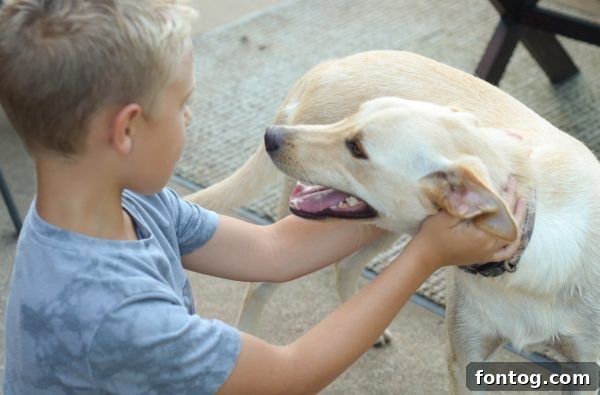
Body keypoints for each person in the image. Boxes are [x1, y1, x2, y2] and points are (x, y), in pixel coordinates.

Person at [0, 1, 526, 394]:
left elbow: (272, 250)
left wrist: (413, 199)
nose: (190, 116)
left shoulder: (126, 201)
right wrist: (426, 257)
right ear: (127, 131)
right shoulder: (113, 315)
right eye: (184, 104)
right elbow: (289, 375)